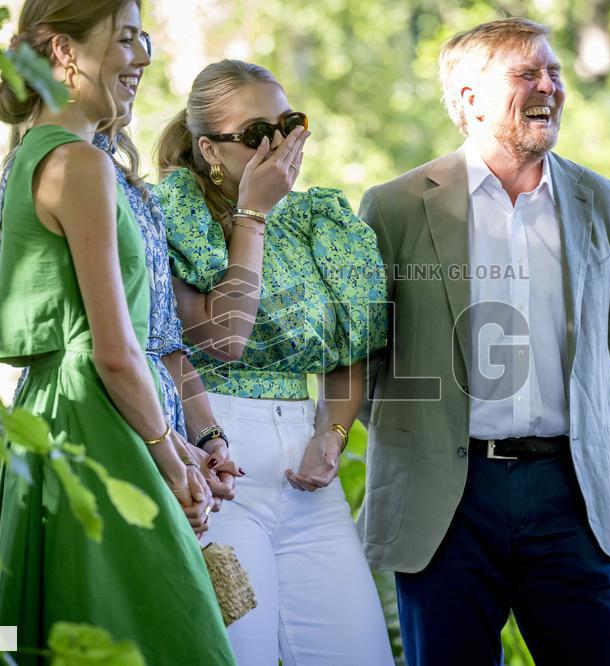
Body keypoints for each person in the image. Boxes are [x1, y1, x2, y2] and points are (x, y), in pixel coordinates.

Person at [359, 18, 610, 665]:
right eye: (527, 73)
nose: (548, 86)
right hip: (445, 503)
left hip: (571, 495)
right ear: (469, 99)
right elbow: (366, 359)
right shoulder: (396, 207)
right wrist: (428, 429)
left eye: (555, 73)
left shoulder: (606, 203)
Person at [0, 1, 234, 663]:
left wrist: (183, 441)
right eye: (126, 39)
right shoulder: (80, 165)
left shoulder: (29, 161)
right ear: (62, 52)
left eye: (143, 38)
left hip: (56, 422)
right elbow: (114, 351)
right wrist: (170, 458)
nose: (143, 57)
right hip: (100, 434)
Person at [155, 59, 394, 666]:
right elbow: (220, 337)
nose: (281, 145)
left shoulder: (320, 218)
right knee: (241, 653)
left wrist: (333, 433)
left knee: (357, 651)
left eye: (289, 124)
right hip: (218, 457)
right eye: (259, 133)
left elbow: (348, 347)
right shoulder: (171, 211)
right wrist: (252, 216)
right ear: (210, 148)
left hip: (307, 468)